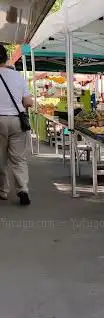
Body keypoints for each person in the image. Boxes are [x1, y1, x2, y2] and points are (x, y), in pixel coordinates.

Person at [0, 44, 33, 205]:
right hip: (17, 121)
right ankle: (23, 189)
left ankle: (3, 191)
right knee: (18, 158)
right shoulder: (17, 76)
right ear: (5, 57)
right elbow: (28, 102)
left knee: (1, 158)